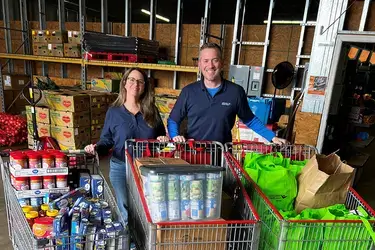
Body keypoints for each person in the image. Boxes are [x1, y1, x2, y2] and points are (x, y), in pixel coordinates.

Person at [84, 68, 168, 224]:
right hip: (120, 166)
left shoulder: (152, 112)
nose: (135, 84)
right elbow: (107, 140)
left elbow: (160, 141)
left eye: (140, 81)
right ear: (124, 83)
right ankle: (127, 242)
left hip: (146, 168)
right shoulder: (114, 112)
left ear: (145, 86)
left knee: (146, 207)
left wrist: (163, 140)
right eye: (131, 79)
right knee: (125, 207)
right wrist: (95, 147)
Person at [167, 42, 287, 145]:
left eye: (215, 60)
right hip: (193, 153)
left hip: (221, 154)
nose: (210, 65)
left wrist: (272, 137)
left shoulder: (236, 92)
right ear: (199, 64)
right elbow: (173, 120)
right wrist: (175, 136)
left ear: (222, 63)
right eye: (206, 61)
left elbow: (250, 120)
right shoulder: (188, 91)